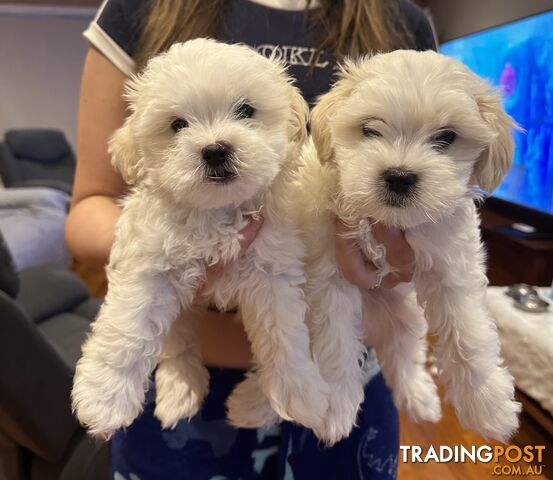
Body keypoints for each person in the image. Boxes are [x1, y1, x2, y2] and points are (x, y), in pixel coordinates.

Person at [65, 1, 436, 478]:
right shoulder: (137, 8)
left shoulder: (402, 20)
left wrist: (411, 257)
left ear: (290, 121)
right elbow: (90, 204)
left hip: (347, 369)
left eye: (244, 112)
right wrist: (171, 266)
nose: (215, 141)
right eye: (178, 125)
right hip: (173, 382)